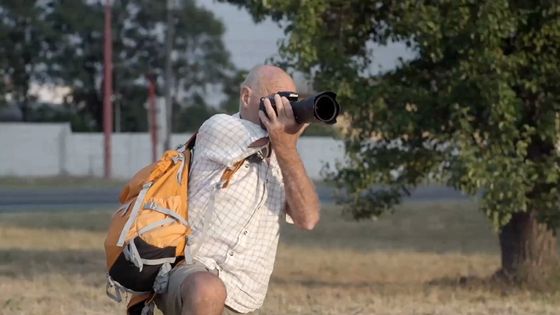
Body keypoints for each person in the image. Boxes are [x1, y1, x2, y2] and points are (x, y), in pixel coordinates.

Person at [154, 65, 321, 315]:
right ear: (246, 97)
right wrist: (286, 142)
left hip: (242, 298)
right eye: (276, 101)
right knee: (208, 290)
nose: (283, 111)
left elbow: (308, 218)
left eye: (289, 103)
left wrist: (288, 147)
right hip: (188, 273)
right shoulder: (219, 127)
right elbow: (266, 141)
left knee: (213, 292)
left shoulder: (284, 156)